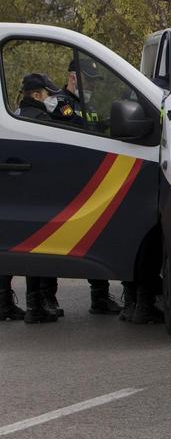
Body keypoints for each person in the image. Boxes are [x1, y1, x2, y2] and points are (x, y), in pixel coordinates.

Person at [50, 58, 122, 316]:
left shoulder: (86, 105)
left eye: (92, 81)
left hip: (91, 182)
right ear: (72, 77)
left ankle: (100, 297)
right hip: (64, 181)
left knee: (97, 237)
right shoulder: (58, 103)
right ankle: (47, 299)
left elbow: (96, 128)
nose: (90, 85)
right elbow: (73, 130)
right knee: (54, 241)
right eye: (87, 79)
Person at [15, 74, 62, 324]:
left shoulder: (15, 115)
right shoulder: (43, 119)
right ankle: (42, 303)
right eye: (47, 94)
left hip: (21, 194)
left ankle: (33, 303)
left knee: (29, 250)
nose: (50, 98)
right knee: (46, 249)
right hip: (44, 194)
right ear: (36, 95)